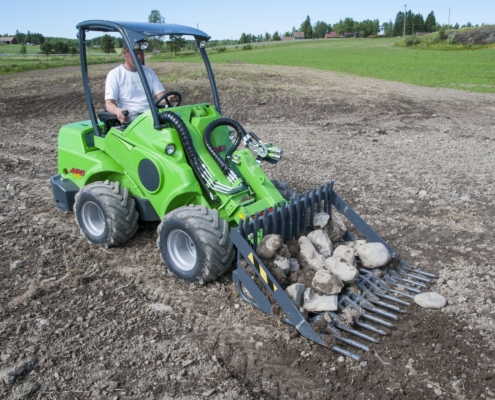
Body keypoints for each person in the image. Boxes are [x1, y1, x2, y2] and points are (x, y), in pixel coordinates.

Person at [105, 41, 176, 124]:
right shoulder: (115, 74)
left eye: (141, 54)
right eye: (136, 54)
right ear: (125, 53)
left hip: (151, 114)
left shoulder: (148, 72)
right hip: (131, 118)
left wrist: (168, 98)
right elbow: (109, 104)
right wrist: (118, 111)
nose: (139, 57)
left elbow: (160, 96)